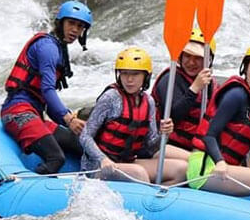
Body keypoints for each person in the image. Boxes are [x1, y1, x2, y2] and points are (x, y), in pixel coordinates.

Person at [186, 43, 250, 206]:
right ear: (245, 69)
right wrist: (219, 161)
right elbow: (209, 135)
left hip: (228, 166)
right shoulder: (236, 95)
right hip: (206, 168)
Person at [0, 0, 91, 174]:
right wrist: (68, 119)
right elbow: (47, 89)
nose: (75, 30)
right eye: (71, 23)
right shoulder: (48, 47)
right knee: (56, 158)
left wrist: (69, 122)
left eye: (80, 27)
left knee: (79, 145)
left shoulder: (59, 48)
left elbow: (47, 103)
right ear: (61, 22)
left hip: (35, 115)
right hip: (17, 113)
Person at [79, 47, 188, 184]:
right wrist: (102, 159)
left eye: (135, 74)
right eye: (124, 74)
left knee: (181, 169)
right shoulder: (111, 98)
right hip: (99, 166)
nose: (129, 79)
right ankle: (146, 195)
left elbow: (151, 146)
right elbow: (85, 135)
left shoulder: (149, 102)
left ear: (146, 76)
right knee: (138, 173)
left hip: (127, 162)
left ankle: (154, 200)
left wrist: (164, 134)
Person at [151, 27, 216, 151]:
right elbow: (172, 116)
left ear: (209, 60)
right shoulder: (169, 79)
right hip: (165, 146)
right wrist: (194, 89)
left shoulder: (211, 85)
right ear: (180, 56)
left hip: (194, 146)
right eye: (187, 56)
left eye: (197, 58)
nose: (191, 63)